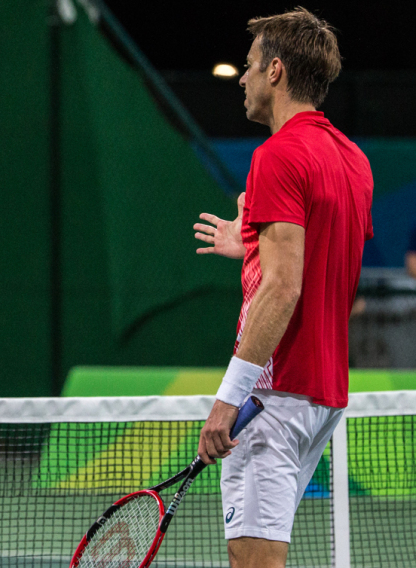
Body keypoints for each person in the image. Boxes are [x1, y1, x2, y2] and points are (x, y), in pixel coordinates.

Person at [193, 8, 372, 568]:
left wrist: (228, 400)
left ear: (275, 71)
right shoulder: (353, 161)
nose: (242, 79)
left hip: (272, 396)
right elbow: (314, 264)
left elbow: (284, 289)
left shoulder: (277, 156)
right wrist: (249, 247)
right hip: (323, 394)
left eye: (248, 67)